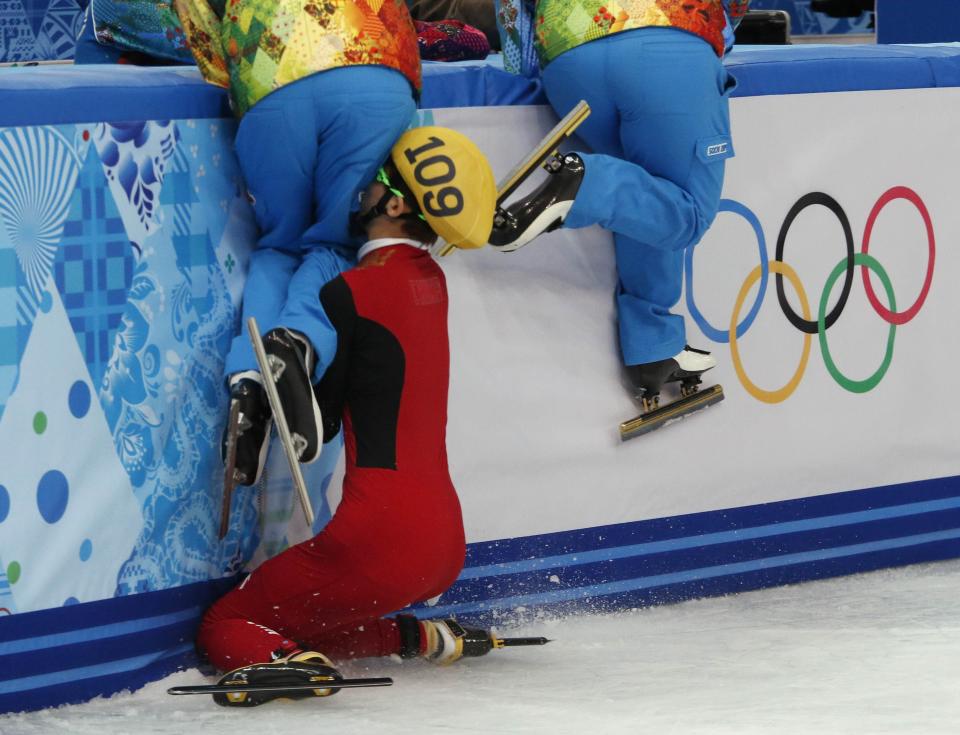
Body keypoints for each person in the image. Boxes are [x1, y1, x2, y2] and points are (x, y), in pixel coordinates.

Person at [196, 126, 502, 707]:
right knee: (303, 614)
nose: (358, 189)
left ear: (392, 204)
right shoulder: (433, 281)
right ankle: (414, 635)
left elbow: (320, 419)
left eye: (374, 182)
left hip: (377, 536)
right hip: (443, 545)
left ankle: (291, 665)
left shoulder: (350, 292)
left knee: (228, 622)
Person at [169, 0, 423, 484]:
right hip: (375, 54)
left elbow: (193, 17)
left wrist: (233, 78)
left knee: (279, 244)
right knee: (339, 240)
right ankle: (301, 341)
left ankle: (248, 383)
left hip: (267, 65)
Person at [489, 0, 750, 411]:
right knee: (688, 213)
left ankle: (653, 344)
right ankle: (583, 184)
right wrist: (719, 30)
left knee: (643, 194)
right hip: (668, 31)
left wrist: (523, 55)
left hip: (567, 55)